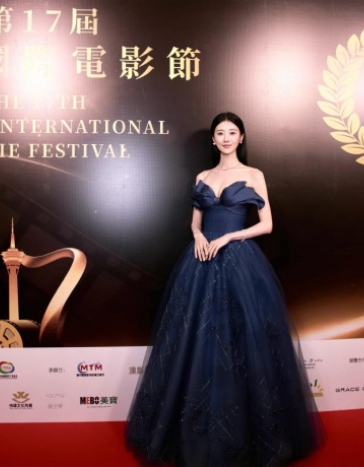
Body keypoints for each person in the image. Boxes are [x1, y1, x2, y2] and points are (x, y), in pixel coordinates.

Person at [126, 112, 324, 466]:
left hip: (239, 262)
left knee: (242, 341)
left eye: (233, 132)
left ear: (242, 137)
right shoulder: (203, 176)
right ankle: (192, 431)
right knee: (193, 339)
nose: (227, 137)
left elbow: (267, 225)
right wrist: (199, 236)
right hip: (200, 261)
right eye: (221, 132)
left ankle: (247, 432)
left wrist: (230, 236)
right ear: (213, 139)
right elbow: (194, 223)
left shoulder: (254, 175)